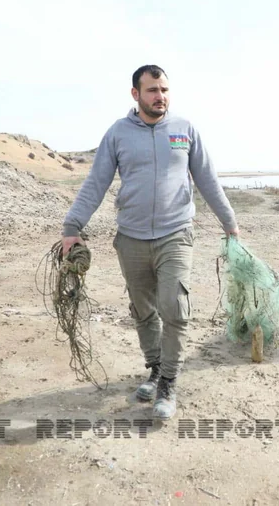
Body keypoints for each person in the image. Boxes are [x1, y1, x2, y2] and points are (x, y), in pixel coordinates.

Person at [60, 65, 239, 419]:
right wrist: (72, 226)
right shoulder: (118, 134)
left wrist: (230, 224)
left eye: (165, 90)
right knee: (143, 311)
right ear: (136, 94)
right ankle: (156, 369)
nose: (161, 96)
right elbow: (96, 183)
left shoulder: (185, 130)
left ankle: (169, 384)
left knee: (174, 305)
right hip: (131, 238)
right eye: (153, 90)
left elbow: (207, 180)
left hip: (176, 233)